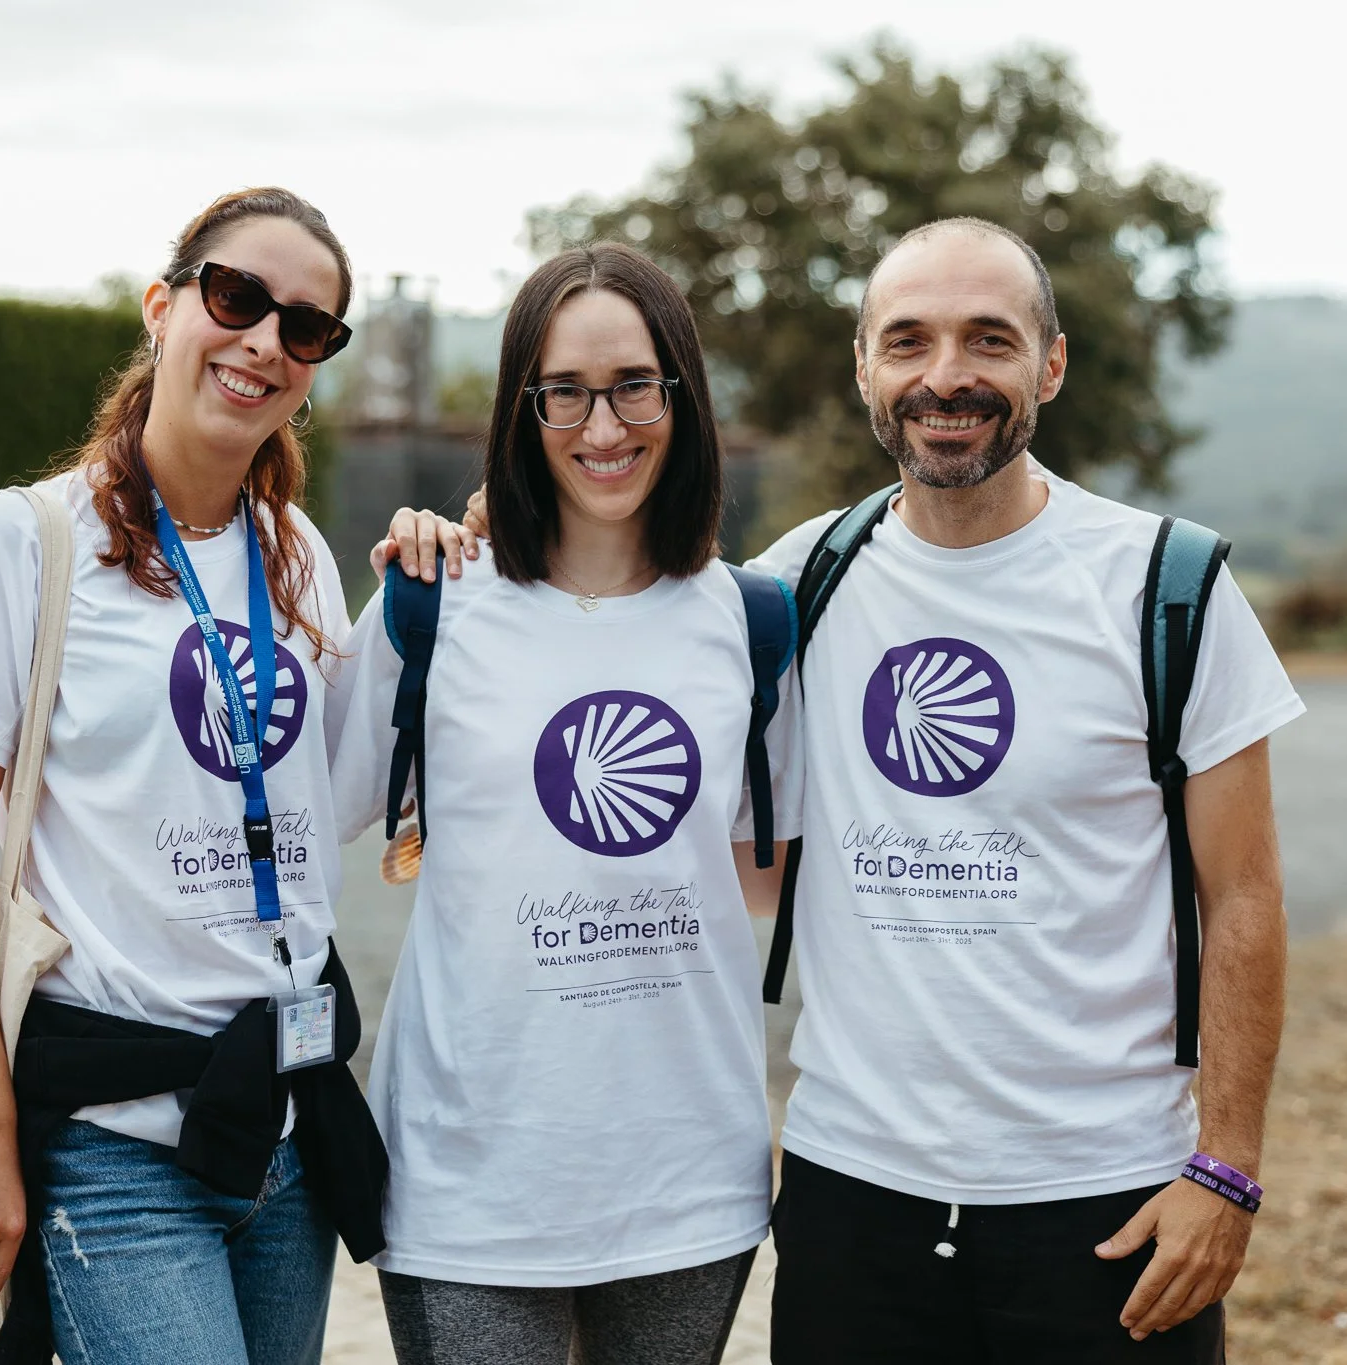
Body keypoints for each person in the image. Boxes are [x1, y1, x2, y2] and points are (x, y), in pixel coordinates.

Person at [414, 217, 1298, 1361]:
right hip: (850, 1203)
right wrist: (482, 533)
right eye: (907, 341)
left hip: (1105, 1201)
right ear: (864, 367)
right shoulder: (790, 588)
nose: (946, 376)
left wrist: (1223, 1172)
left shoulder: (1162, 586)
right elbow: (623, 626)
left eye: (987, 339)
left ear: (1051, 363)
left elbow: (1245, 897)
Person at [0, 186, 383, 1365]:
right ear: (164, 309)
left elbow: (322, 803)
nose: (265, 340)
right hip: (113, 1147)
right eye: (237, 298)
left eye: (306, 327)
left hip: (281, 1123)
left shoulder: (297, 557)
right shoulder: (25, 543)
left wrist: (423, 604)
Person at [328, 242, 801, 1365]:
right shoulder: (429, 605)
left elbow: (773, 861)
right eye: (564, 392)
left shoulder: (749, 623)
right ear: (519, 407)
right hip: (470, 1181)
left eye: (635, 384)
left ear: (680, 394)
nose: (602, 428)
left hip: (689, 1173)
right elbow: (316, 810)